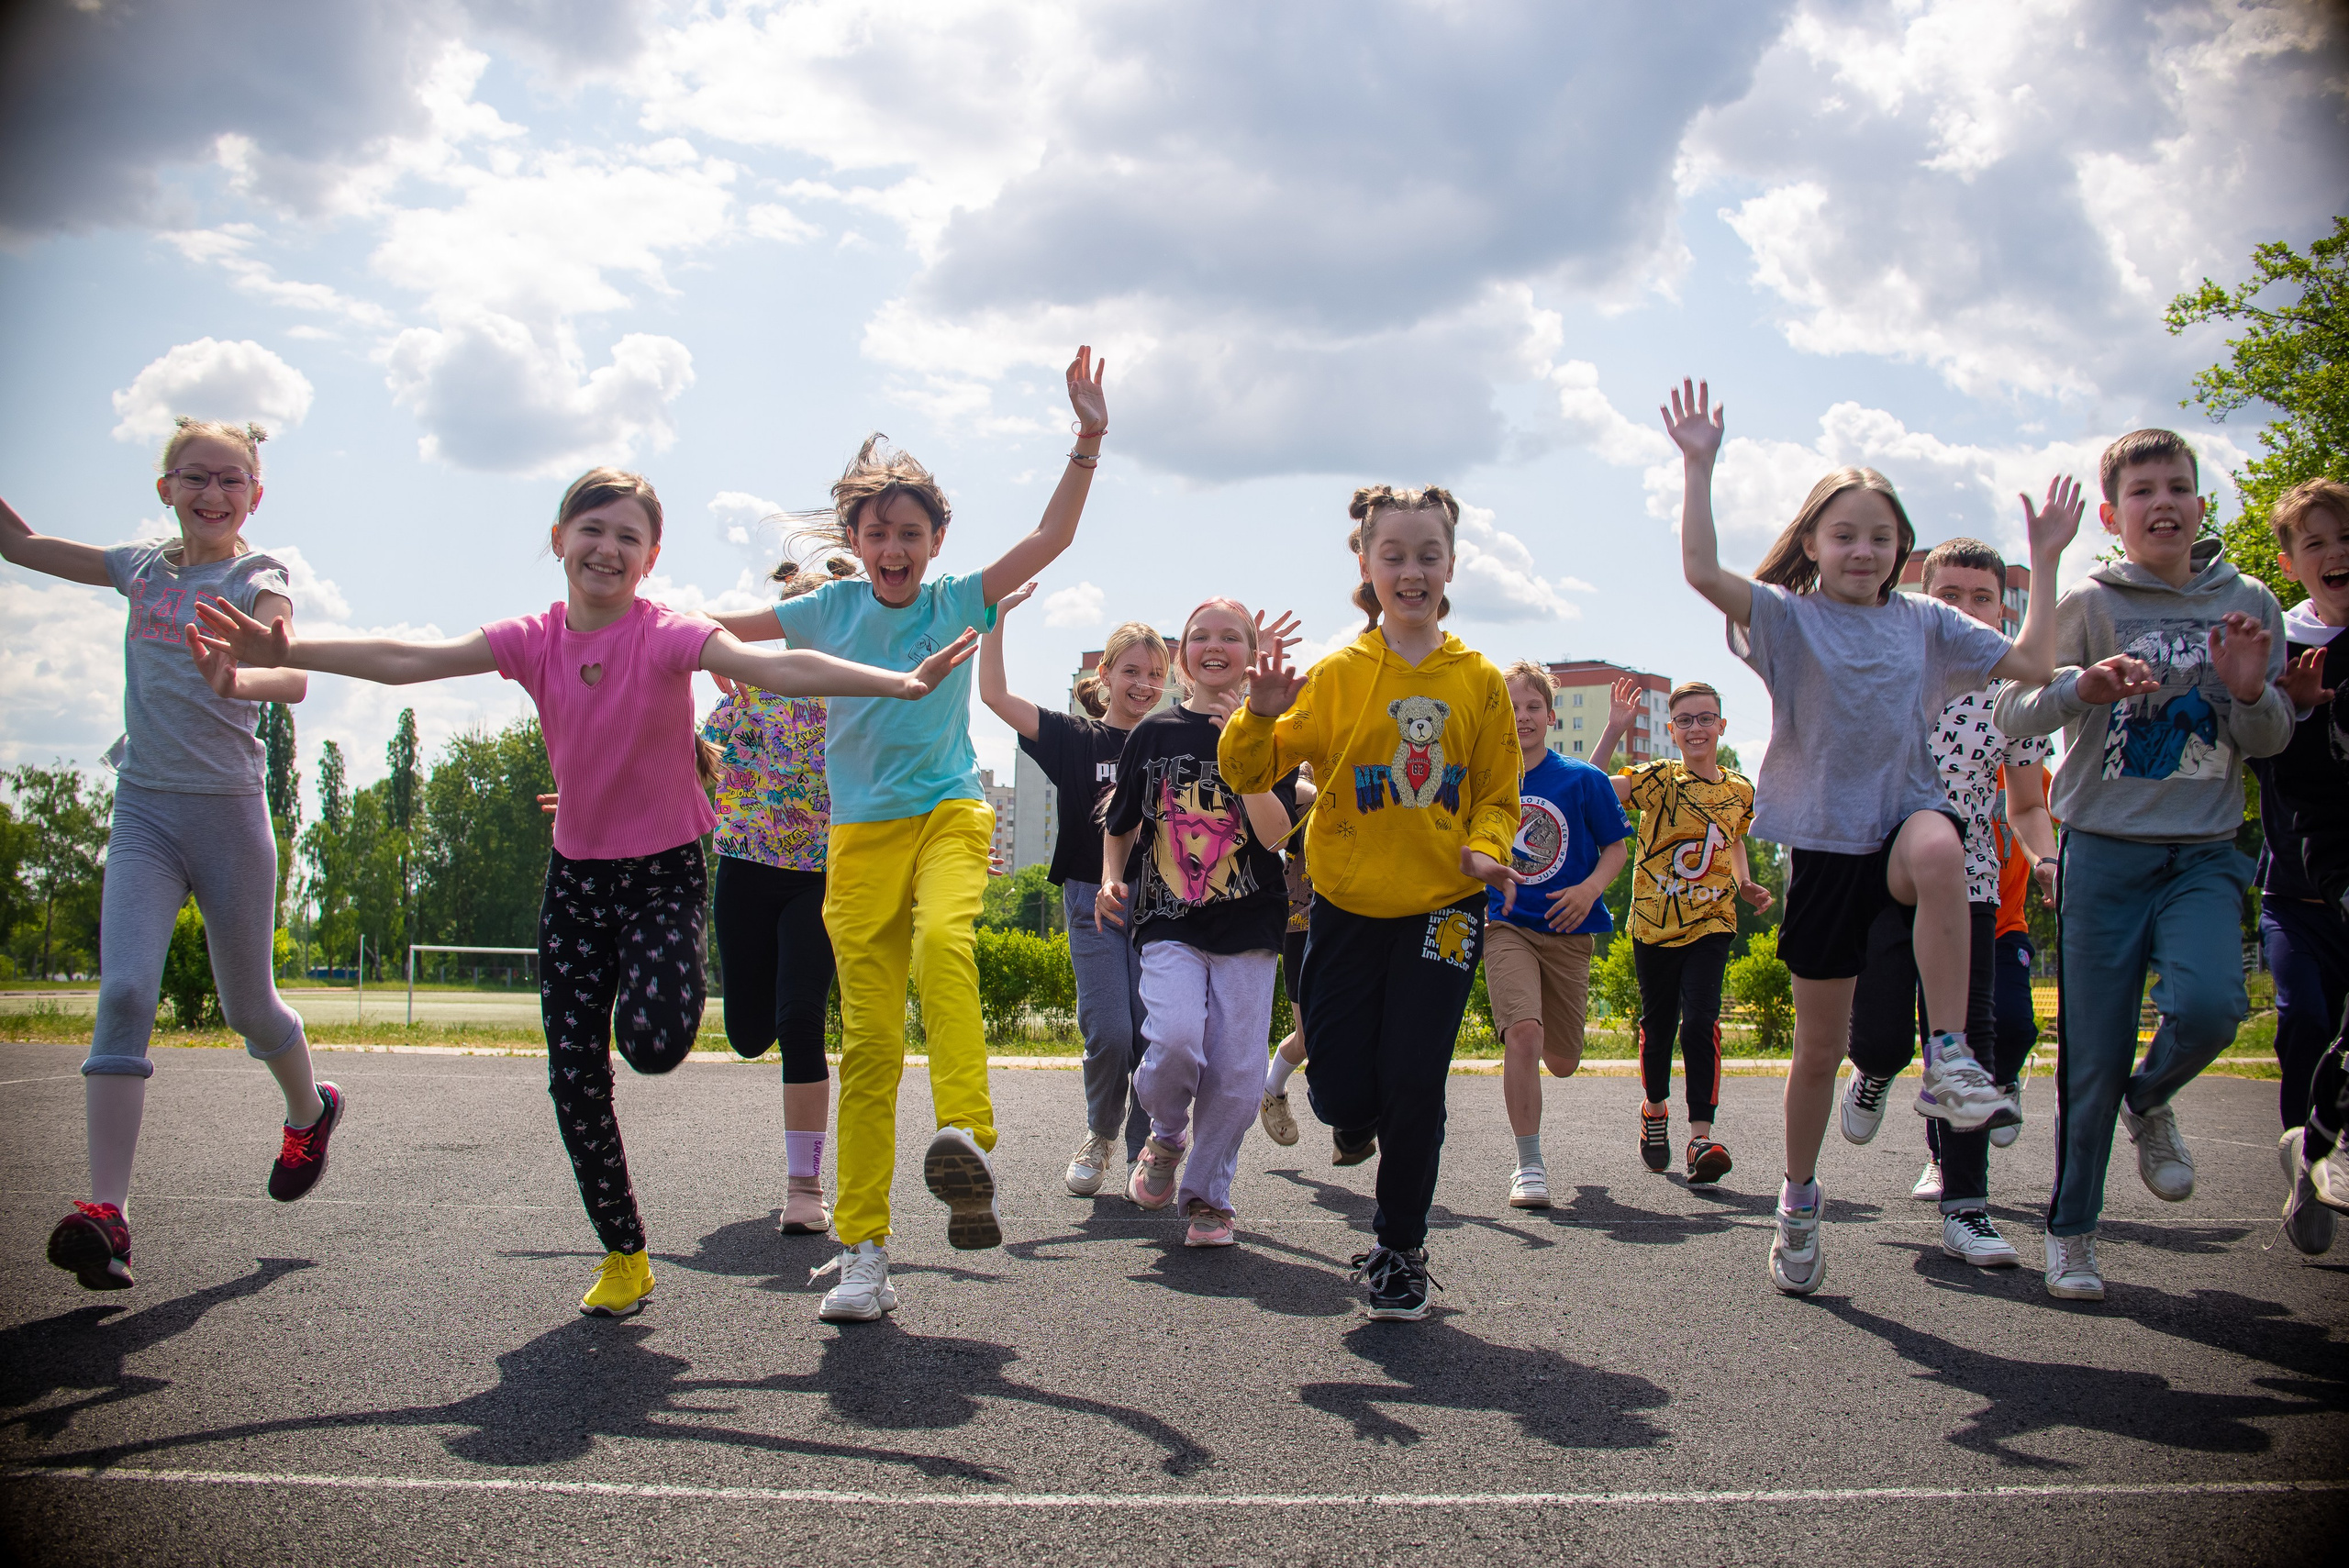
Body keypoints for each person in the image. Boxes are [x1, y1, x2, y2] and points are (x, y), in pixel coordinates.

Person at [193, 467, 974, 1319]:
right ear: (561, 538)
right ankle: (626, 1253)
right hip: (576, 881)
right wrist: (289, 650)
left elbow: (770, 668)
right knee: (573, 1077)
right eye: (592, 530)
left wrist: (896, 682)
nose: (607, 548)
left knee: (653, 1042)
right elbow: (408, 658)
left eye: (628, 538)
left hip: (663, 875)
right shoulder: (533, 637)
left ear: (650, 558)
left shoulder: (668, 632)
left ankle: (701, 1146)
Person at [713, 347, 1109, 1323]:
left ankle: (966, 1135)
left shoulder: (954, 599)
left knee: (945, 942)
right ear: (853, 535)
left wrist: (1088, 439)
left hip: (945, 811)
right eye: (877, 532)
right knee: (873, 1046)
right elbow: (718, 625)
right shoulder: (827, 608)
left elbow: (1050, 537)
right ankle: (862, 1251)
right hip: (857, 839)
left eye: (911, 534)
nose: (894, 548)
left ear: (936, 543)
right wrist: (640, 627)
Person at [1664, 377, 2077, 1297]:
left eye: (1880, 536)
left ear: (1901, 552)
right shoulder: (1786, 618)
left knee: (1941, 845)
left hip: (1901, 823)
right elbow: (1701, 571)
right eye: (1843, 533)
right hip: (1824, 849)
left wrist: (2041, 562)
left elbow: (2036, 663)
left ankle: (1953, 1056)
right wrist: (1699, 464)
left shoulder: (1926, 623)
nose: (1861, 549)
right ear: (1811, 542)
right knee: (1820, 1051)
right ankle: (1798, 1197)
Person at [5, 420, 340, 1293]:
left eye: (233, 481)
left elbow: (292, 674)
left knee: (249, 1007)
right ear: (166, 488)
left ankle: (310, 1110)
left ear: (255, 497)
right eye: (196, 477)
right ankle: (106, 1213)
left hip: (229, 815)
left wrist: (248, 672)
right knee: (122, 992)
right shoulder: (140, 569)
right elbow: (24, 543)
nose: (214, 494)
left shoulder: (258, 578)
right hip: (145, 807)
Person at [1996, 428, 2288, 1300]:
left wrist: (2247, 688)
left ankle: (2150, 1096)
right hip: (2105, 853)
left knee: (2212, 1005)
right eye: (2144, 491)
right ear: (2116, 514)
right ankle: (2073, 1231)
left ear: (2201, 503)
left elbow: (2271, 740)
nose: (2164, 502)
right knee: (2091, 1053)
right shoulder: (2092, 601)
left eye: (2180, 487)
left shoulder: (2250, 602)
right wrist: (2079, 688)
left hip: (2203, 850)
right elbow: (2016, 712)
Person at [1221, 484, 1520, 1321]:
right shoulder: (1337, 674)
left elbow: (1500, 793)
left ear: (1452, 563)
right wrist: (1259, 713)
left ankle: (1399, 1248)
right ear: (1365, 563)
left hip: (1448, 906)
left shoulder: (1480, 682)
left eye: (1429, 555)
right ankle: (1353, 1120)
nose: (1412, 571)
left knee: (1416, 1076)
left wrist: (1487, 849)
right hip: (1347, 904)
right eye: (1394, 555)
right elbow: (1247, 771)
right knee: (1345, 1093)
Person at [1836, 539, 2058, 1270]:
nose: (1965, 611)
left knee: (1969, 1044)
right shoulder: (1882, 675)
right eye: (1950, 597)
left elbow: (2027, 802)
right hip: (1881, 884)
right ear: (1922, 604)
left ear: (2002, 611)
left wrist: (2045, 852)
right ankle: (1870, 1073)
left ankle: (1967, 1210)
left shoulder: (2010, 699)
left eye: (1981, 598)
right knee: (1879, 1037)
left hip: (1972, 889)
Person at [1097, 599, 1297, 1247]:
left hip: (1250, 927)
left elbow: (1274, 833)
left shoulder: (1276, 733)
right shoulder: (1152, 735)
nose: (1215, 645)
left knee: (1239, 1080)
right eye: (1200, 636)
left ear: (1251, 654)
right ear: (1183, 656)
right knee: (1177, 1040)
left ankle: (1209, 1196)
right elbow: (1122, 819)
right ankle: (1166, 1134)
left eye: (1231, 636)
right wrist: (1109, 876)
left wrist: (1240, 740)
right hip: (1168, 921)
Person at [980, 583, 1169, 1197]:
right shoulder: (1074, 738)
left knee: (1153, 1031)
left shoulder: (1172, 744)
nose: (1142, 684)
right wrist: (995, 620)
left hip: (1164, 901)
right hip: (1093, 895)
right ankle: (1101, 1132)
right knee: (1111, 1030)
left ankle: (1151, 1145)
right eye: (1132, 671)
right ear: (1106, 675)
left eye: (1155, 674)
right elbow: (994, 695)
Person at [705, 552, 863, 1238]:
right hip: (744, 868)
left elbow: (907, 778)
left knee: (801, 1015)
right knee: (746, 1033)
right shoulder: (745, 691)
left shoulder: (863, 699)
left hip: (822, 877)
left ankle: (805, 1186)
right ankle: (753, 1024)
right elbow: (689, 759)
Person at [1592, 677, 1771, 1183]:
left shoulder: (1740, 789)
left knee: (1701, 1022)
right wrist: (1613, 731)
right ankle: (1654, 1109)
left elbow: (1734, 838)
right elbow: (1589, 788)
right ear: (1672, 730)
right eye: (1686, 720)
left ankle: (1700, 1138)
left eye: (1705, 718)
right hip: (1653, 925)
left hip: (1713, 922)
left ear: (1721, 725)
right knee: (1659, 1027)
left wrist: (1747, 882)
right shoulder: (1660, 779)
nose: (1697, 728)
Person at [2243, 478, 2349, 1254]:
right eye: (2316, 542)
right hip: (2296, 882)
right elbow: (2263, 757)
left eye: (2345, 537)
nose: (2335, 552)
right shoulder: (2280, 646)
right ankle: (2307, 1159)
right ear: (2290, 563)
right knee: (2305, 1023)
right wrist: (2298, 709)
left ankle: (2322, 1147)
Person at [1485, 660, 1630, 1208]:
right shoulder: (1486, 780)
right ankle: (1529, 1163)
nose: (1521, 717)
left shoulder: (1582, 779)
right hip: (1506, 926)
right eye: (1511, 707)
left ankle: (1556, 1050)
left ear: (1549, 714)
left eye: (1532, 708)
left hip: (1570, 930)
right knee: (1522, 1033)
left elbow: (1615, 848)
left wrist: (1590, 889)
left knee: (1562, 1060)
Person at [1259, 762, 1317, 1149]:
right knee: (1310, 1036)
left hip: (1361, 918)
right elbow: (1282, 835)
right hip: (1302, 921)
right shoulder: (1302, 767)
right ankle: (1272, 1088)